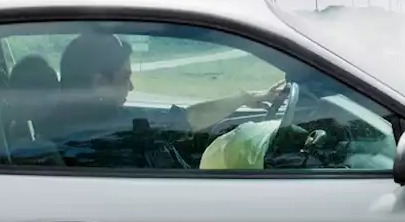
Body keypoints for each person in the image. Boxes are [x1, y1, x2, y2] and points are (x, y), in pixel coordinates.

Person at [33, 31, 287, 169]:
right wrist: (242, 98)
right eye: (124, 78)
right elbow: (187, 120)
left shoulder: (72, 123)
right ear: (99, 82)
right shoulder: (100, 129)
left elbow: (181, 120)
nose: (131, 86)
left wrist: (242, 100)